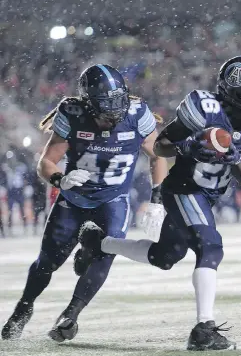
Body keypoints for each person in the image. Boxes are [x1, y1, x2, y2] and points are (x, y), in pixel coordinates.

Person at [74, 56, 241, 350]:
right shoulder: (205, 108)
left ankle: (98, 242)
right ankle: (204, 329)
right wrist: (190, 146)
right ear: (236, 89)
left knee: (165, 256)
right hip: (184, 188)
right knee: (210, 246)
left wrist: (230, 156)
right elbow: (160, 146)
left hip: (208, 194)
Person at [1, 64, 167, 341]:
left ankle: (70, 315)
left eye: (118, 102)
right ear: (89, 104)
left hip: (114, 199)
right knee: (48, 263)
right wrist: (59, 180)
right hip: (75, 199)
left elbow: (158, 154)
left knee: (106, 255)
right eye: (106, 105)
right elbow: (47, 161)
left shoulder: (137, 113)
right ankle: (24, 307)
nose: (115, 111)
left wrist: (157, 199)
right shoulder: (73, 114)